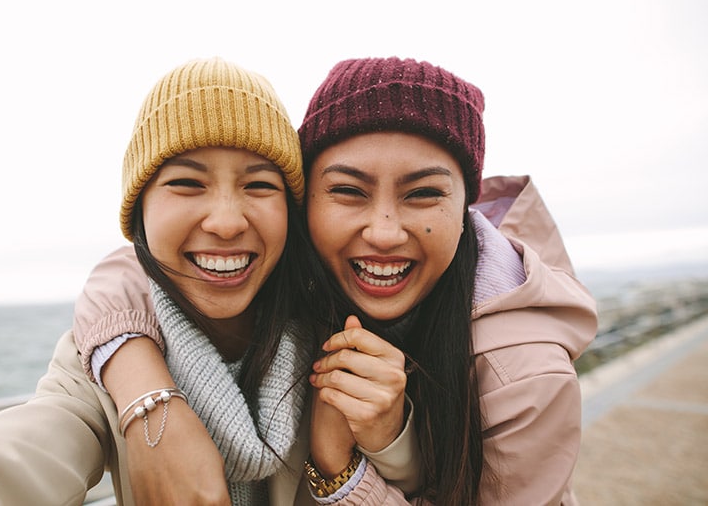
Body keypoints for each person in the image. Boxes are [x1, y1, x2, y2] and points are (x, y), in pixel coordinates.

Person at [72, 56, 598, 505]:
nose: (385, 232)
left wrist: (343, 475)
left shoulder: (526, 375)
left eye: (422, 194)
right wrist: (143, 388)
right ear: (303, 207)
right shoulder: (292, 276)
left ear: (467, 207)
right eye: (348, 191)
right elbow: (138, 266)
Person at [0, 57, 422, 506]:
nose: (225, 221)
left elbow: (425, 483)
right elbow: (25, 454)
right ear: (141, 216)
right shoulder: (103, 360)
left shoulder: (344, 341)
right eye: (186, 183)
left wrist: (388, 437)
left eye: (259, 185)